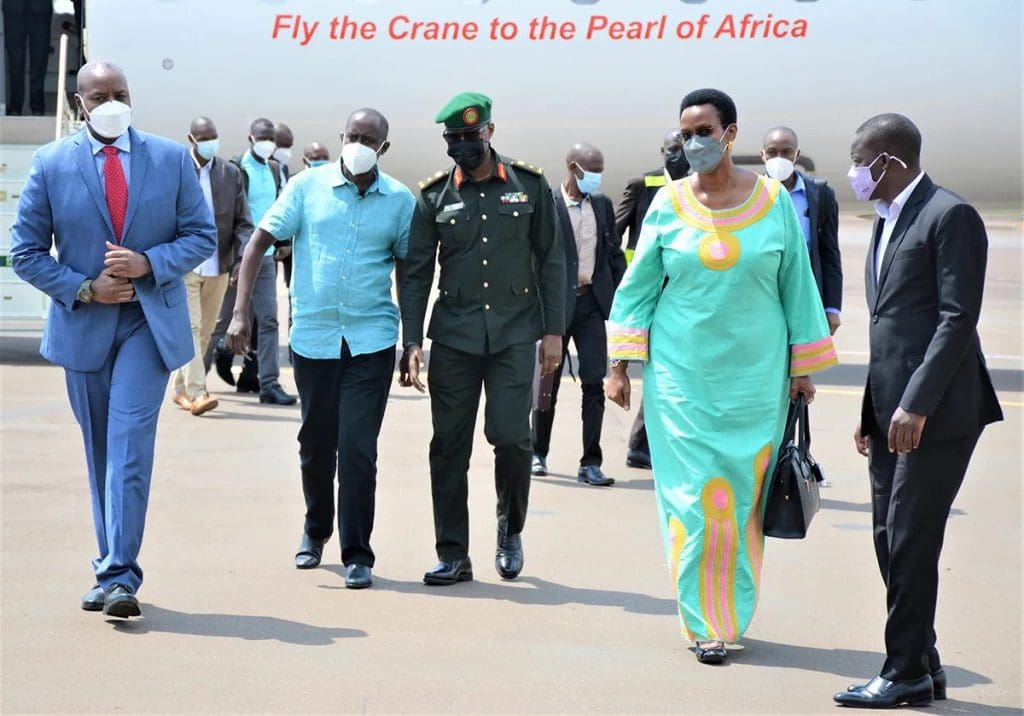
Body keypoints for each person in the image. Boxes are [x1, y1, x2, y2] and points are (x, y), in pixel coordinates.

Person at [605, 88, 837, 664]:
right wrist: (618, 365)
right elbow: (637, 288)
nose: (694, 143)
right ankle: (704, 622)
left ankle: (729, 612)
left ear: (730, 134)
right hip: (680, 380)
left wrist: (804, 369)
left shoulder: (773, 202)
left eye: (704, 132)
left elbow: (797, 285)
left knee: (739, 502)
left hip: (756, 381)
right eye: (686, 134)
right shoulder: (667, 203)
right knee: (693, 501)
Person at [10, 62, 216, 618]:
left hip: (148, 323)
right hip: (85, 324)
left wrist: (149, 262)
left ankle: (121, 576)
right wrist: (84, 288)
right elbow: (25, 253)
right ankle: (109, 567)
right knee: (101, 452)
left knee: (128, 447)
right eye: (99, 96)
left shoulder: (170, 158)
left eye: (120, 93)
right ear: (79, 103)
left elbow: (201, 235)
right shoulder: (52, 163)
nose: (112, 103)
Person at [833, 114, 1003, 709]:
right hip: (891, 410)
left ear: (889, 160)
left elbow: (957, 318)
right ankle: (924, 663)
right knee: (889, 536)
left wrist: (915, 403)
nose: (854, 171)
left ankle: (903, 670)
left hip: (939, 411)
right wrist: (871, 407)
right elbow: (890, 326)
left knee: (910, 538)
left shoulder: (949, 215)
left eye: (860, 160)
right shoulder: (886, 219)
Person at [228, 109, 414, 589]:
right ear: (341, 136)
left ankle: (357, 553)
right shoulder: (306, 187)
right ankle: (315, 529)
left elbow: (410, 272)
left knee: (357, 451)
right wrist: (240, 311)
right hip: (314, 339)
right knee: (315, 445)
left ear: (384, 149)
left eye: (369, 140)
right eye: (353, 136)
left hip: (372, 341)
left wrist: (412, 340)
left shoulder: (400, 201)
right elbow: (259, 242)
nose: (359, 145)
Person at [400, 92, 565, 585]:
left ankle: (509, 530)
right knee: (449, 446)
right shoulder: (433, 196)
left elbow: (552, 259)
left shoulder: (529, 185)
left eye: (471, 136)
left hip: (515, 333)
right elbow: (416, 273)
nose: (463, 146)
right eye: (454, 138)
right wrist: (412, 341)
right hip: (454, 336)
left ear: (490, 131)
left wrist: (554, 332)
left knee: (512, 439)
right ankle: (453, 553)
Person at [531, 142, 625, 486]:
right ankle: (537, 452)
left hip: (590, 305)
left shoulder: (602, 205)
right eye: (592, 170)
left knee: (594, 383)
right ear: (573, 167)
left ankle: (591, 462)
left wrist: (621, 297)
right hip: (556, 306)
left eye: (600, 170)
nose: (597, 177)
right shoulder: (550, 203)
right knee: (547, 383)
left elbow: (612, 253)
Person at [206, 118, 296, 405]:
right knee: (221, 320)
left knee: (269, 320)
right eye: (262, 138)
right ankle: (196, 381)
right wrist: (234, 258)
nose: (267, 143)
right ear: (250, 138)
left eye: (271, 138)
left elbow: (279, 209)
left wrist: (282, 243)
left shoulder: (275, 169)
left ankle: (269, 384)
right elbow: (229, 216)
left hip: (265, 257)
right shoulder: (236, 169)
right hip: (241, 258)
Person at [614, 129, 690, 471]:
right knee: (659, 368)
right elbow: (613, 235)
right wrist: (623, 277)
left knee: (667, 369)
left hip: (678, 294)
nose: (679, 155)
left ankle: (643, 445)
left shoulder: (696, 187)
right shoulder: (643, 184)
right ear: (662, 150)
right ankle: (641, 444)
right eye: (673, 148)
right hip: (646, 294)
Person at [170, 116, 254, 416]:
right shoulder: (177, 171)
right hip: (186, 264)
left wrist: (241, 259)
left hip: (219, 264)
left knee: (205, 331)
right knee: (191, 327)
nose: (210, 143)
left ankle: (179, 389)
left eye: (213, 137)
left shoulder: (230, 174)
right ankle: (197, 392)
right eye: (204, 138)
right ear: (191, 140)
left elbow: (243, 222)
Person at [762, 126, 843, 335]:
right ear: (763, 155)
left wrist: (832, 308)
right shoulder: (749, 193)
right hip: (764, 297)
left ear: (797, 155)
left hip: (805, 297)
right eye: (772, 152)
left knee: (804, 355)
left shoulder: (820, 195)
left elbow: (829, 254)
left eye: (786, 152)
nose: (779, 158)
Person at [3, 0, 52, 115]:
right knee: (15, 58)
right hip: (13, 6)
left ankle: (37, 105)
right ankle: (15, 104)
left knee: (40, 56)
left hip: (41, 6)